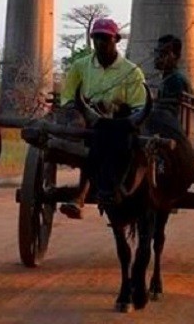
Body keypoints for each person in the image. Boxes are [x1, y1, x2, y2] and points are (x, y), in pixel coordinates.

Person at [56, 17, 146, 219]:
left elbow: (138, 106)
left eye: (105, 38)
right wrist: (78, 109)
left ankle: (90, 192)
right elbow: (69, 97)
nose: (100, 43)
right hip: (90, 123)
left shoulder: (132, 72)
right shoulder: (80, 66)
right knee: (90, 140)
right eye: (96, 38)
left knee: (106, 143)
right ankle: (83, 192)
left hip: (119, 126)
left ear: (117, 40)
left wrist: (115, 112)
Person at [154, 34, 192, 108]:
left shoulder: (177, 81)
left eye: (164, 53)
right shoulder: (167, 78)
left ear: (176, 56)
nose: (158, 57)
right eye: (157, 53)